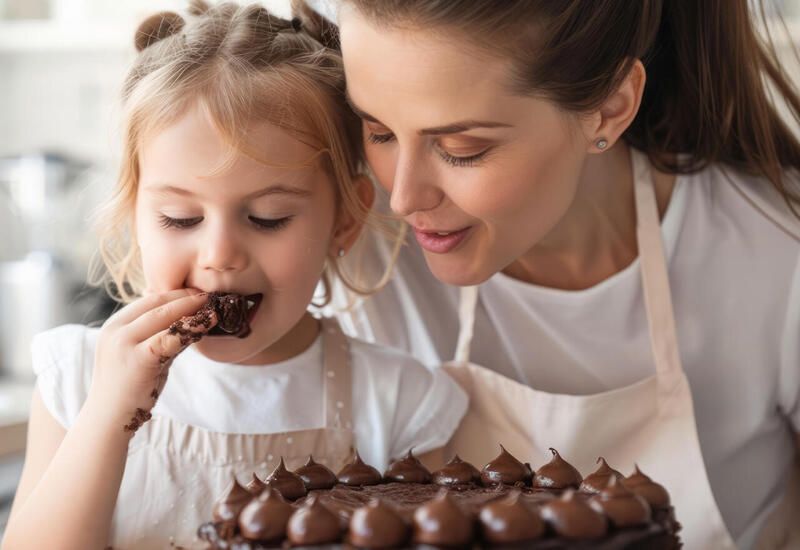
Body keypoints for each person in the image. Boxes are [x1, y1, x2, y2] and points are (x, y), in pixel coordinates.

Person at [331, 1, 800, 548]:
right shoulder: (347, 234)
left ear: (609, 108)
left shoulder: (776, 246)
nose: (403, 197)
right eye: (379, 132)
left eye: (462, 149)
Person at [1, 2, 467, 549]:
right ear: (134, 217)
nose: (219, 255)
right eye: (181, 218)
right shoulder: (78, 380)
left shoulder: (399, 401)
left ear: (344, 219)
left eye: (267, 218)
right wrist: (108, 417)